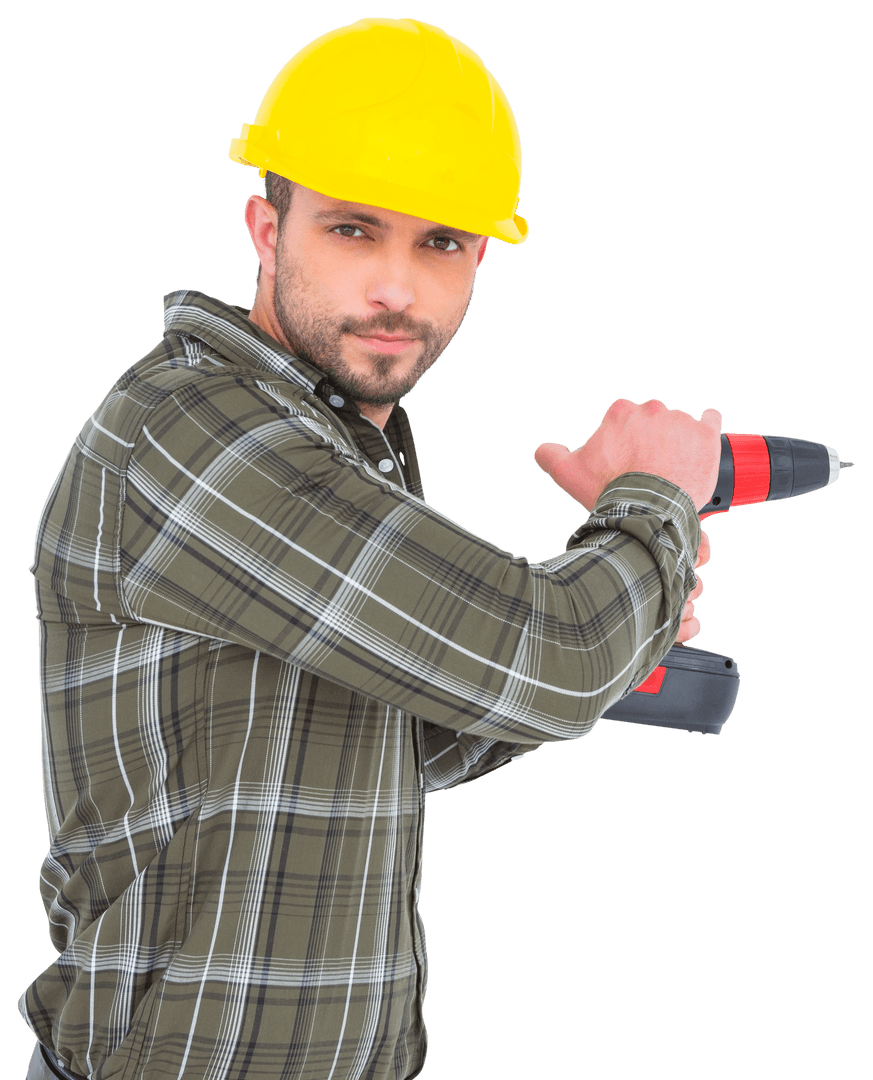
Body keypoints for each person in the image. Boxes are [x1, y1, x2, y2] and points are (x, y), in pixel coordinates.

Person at [20, 17, 720, 1080]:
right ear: (267, 227)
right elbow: (555, 652)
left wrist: (620, 614)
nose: (398, 288)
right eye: (354, 229)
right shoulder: (196, 431)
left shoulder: (336, 448)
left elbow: (405, 733)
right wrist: (656, 503)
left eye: (439, 241)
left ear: (478, 255)